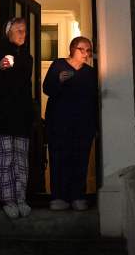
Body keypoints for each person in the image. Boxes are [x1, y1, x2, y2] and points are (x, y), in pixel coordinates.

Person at [0, 17, 34, 219]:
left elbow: (24, 81)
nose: (23, 34)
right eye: (19, 30)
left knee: (21, 161)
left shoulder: (26, 57)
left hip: (21, 115)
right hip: (2, 115)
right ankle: (8, 200)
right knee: (5, 161)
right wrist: (0, 68)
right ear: (8, 32)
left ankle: (21, 199)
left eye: (24, 31)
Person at [42, 36, 98, 211]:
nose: (86, 54)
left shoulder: (90, 73)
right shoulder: (58, 65)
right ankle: (59, 196)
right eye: (83, 49)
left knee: (80, 159)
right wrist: (59, 80)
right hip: (59, 123)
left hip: (83, 124)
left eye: (89, 50)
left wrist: (94, 124)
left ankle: (78, 196)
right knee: (59, 158)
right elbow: (47, 89)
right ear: (73, 48)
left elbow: (93, 99)